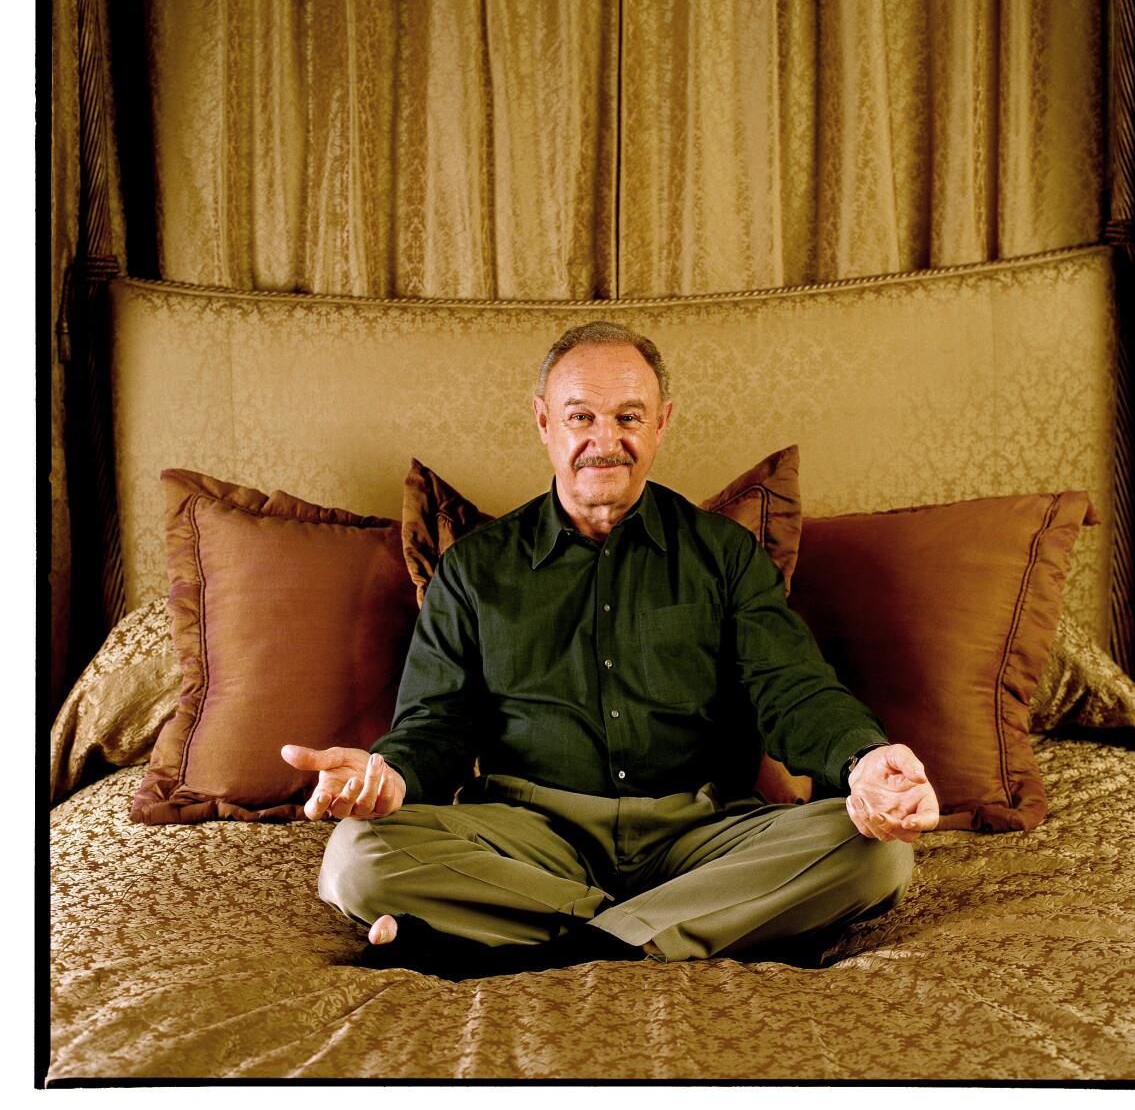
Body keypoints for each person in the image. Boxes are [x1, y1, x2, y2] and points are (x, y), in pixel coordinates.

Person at [281, 322, 938, 981]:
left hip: (699, 834)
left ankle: (532, 944)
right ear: (544, 423)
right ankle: (674, 928)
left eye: (629, 416)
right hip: (529, 836)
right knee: (355, 859)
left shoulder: (725, 556)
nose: (606, 440)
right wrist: (390, 775)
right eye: (581, 417)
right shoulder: (474, 569)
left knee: (878, 855)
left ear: (662, 424)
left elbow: (792, 688)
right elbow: (436, 726)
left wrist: (866, 758)